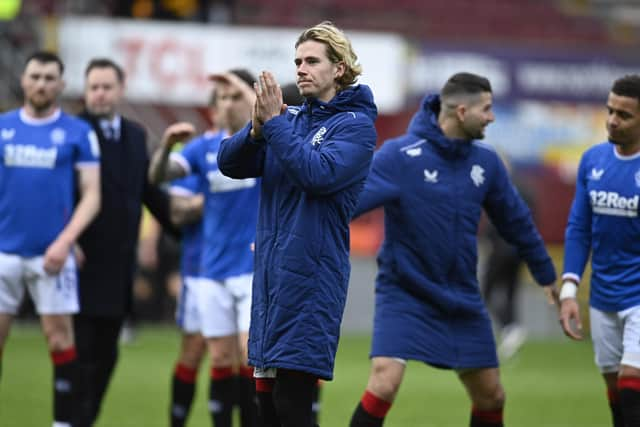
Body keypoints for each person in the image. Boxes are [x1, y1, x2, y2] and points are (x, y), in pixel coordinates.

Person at [347, 72, 558, 427]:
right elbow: (346, 205)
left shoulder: (486, 162)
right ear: (462, 111)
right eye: (487, 109)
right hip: (404, 292)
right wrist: (292, 233)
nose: (491, 117)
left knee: (491, 395)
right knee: (384, 382)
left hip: (461, 295)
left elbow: (517, 222)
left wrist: (547, 275)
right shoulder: (401, 155)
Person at [217, 21, 378, 427]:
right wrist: (255, 130)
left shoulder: (355, 127)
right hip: (272, 279)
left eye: (311, 61)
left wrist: (274, 125)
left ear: (338, 68)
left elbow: (317, 175)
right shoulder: (290, 119)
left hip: (311, 279)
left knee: (293, 407)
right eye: (297, 61)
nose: (301, 68)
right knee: (266, 408)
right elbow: (229, 163)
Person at [149, 69, 260, 427]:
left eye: (235, 97)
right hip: (212, 269)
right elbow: (157, 178)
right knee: (221, 359)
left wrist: (249, 91)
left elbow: (270, 113)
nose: (227, 104)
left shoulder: (264, 142)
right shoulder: (203, 148)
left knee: (250, 355)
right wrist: (167, 146)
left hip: (252, 268)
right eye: (222, 98)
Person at [73, 57, 176, 427]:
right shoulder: (74, 132)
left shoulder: (135, 135)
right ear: (85, 92)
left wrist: (184, 221)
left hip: (119, 266)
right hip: (80, 264)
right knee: (80, 356)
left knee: (107, 355)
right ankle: (74, 420)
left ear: (120, 89)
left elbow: (148, 192)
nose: (99, 94)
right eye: (93, 88)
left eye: (106, 87)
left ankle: (85, 418)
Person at [0, 51, 101, 427]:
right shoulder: (3, 127)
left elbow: (92, 194)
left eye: (49, 78)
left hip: (52, 254)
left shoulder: (78, 132)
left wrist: (67, 239)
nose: (41, 84)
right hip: (3, 253)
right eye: (35, 76)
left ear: (61, 85)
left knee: (60, 343)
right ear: (24, 80)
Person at [560, 74, 640, 427]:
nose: (612, 120)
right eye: (610, 110)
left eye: (624, 115)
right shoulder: (593, 160)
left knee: (630, 381)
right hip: (604, 296)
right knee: (615, 390)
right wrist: (568, 290)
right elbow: (580, 228)